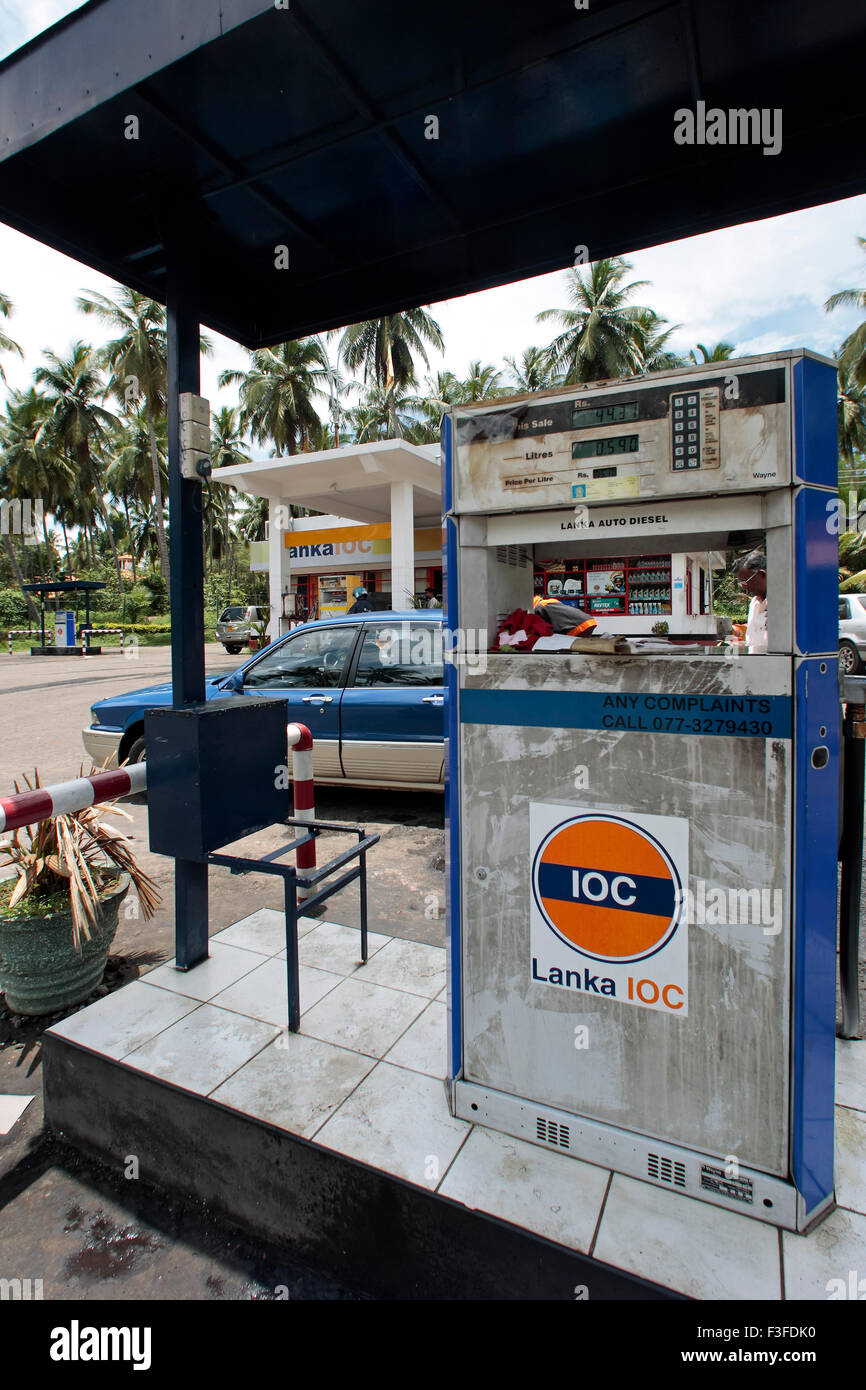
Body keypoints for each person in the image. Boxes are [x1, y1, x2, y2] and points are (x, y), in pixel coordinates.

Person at [734, 551, 768, 653]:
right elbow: (755, 640)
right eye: (741, 583)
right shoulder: (754, 603)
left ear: (762, 574)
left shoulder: (782, 603)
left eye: (746, 581)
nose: (744, 587)